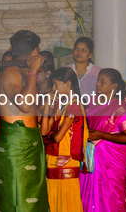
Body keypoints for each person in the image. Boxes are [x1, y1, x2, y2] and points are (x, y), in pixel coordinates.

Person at [0, 30, 48, 212]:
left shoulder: (23, 73)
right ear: (34, 52)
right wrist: (33, 70)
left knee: (34, 204)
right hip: (16, 146)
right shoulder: (10, 72)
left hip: (30, 143)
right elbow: (24, 105)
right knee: (18, 202)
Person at [80, 68, 126, 212]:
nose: (97, 84)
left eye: (102, 82)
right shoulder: (94, 106)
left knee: (111, 199)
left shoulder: (119, 108)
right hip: (92, 159)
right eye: (98, 81)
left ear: (114, 86)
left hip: (111, 164)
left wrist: (102, 135)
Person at [41, 67, 87, 212]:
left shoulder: (74, 106)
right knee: (53, 202)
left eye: (56, 84)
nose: (53, 88)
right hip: (53, 159)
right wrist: (47, 105)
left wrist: (51, 135)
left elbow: (58, 136)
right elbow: (44, 131)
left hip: (65, 160)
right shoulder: (60, 104)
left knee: (67, 203)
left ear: (68, 84)